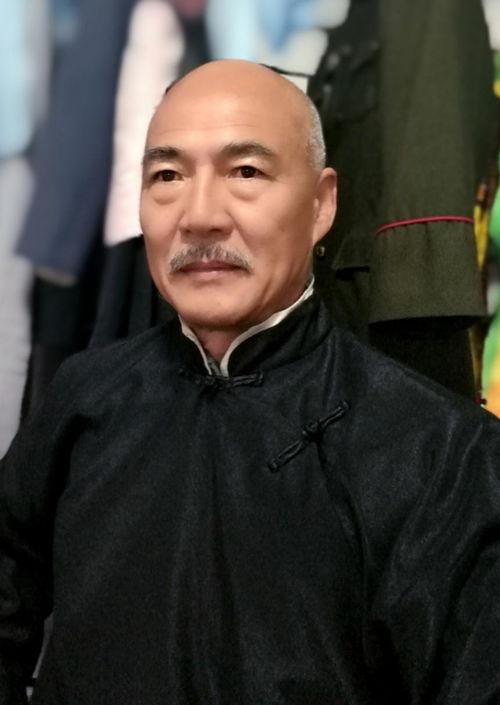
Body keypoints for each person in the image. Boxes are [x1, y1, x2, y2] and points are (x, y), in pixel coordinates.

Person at [1, 60, 500, 705]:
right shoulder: (84, 396)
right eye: (168, 176)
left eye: (245, 172)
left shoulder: (441, 451)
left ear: (321, 204)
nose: (200, 215)